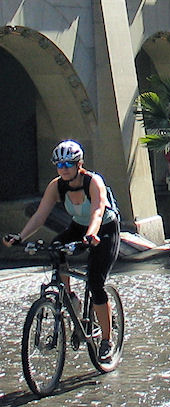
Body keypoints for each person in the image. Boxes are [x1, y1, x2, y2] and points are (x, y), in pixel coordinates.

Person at [2, 140, 120, 362]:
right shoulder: (57, 186)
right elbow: (40, 215)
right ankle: (70, 297)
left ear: (79, 164)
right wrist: (20, 237)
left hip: (103, 229)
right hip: (78, 226)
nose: (63, 169)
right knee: (57, 247)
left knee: (96, 282)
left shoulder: (93, 182)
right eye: (59, 165)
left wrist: (91, 235)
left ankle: (107, 340)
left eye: (68, 164)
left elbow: (97, 211)